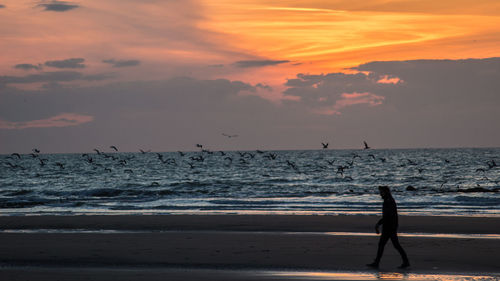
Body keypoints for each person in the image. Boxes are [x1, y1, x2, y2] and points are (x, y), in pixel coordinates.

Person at [367, 186, 410, 269]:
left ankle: (405, 261)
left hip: (390, 227)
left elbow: (388, 216)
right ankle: (377, 262)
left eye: (381, 192)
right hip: (390, 226)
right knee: (386, 245)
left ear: (385, 192)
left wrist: (378, 224)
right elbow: (387, 216)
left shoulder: (389, 201)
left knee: (391, 245)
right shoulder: (388, 200)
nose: (380, 194)